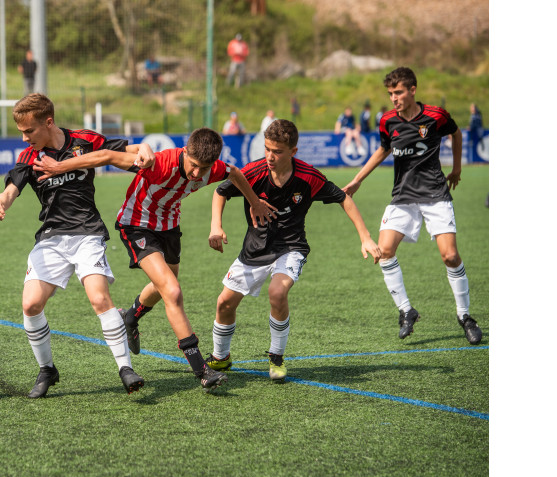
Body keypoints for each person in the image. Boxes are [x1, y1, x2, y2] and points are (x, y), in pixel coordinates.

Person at [33, 127, 277, 393]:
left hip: (169, 226)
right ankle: (201, 369)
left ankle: (132, 316)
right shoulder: (159, 164)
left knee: (165, 288)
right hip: (136, 225)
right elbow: (105, 156)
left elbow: (234, 173)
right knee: (172, 290)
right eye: (193, 165)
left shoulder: (213, 169)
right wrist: (60, 166)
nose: (197, 174)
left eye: (203, 168)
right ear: (185, 152)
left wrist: (254, 202)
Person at [0, 93, 151, 398]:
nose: (24, 139)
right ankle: (47, 369)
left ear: (48, 122)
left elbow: (132, 152)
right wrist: (1, 201)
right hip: (51, 237)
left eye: (29, 131)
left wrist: (146, 151)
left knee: (99, 298)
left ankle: (126, 369)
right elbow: (13, 188)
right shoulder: (29, 157)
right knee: (30, 304)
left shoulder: (85, 140)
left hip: (87, 232)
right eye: (20, 132)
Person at [206, 119, 381, 379]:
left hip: (291, 247)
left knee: (278, 292)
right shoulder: (253, 172)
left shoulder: (308, 177)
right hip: (255, 248)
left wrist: (365, 237)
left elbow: (344, 198)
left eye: (277, 151)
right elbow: (221, 191)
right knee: (224, 304)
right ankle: (221, 358)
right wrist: (215, 227)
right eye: (267, 149)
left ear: (293, 152)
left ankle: (276, 358)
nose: (270, 156)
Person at [342, 66, 482, 345]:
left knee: (450, 257)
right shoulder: (387, 121)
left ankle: (465, 316)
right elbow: (383, 149)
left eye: (399, 92)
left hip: (435, 194)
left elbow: (456, 135)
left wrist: (456, 169)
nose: (394, 98)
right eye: (391, 93)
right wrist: (358, 179)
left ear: (412, 90)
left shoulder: (435, 116)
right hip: (403, 197)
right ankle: (407, 310)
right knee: (383, 252)